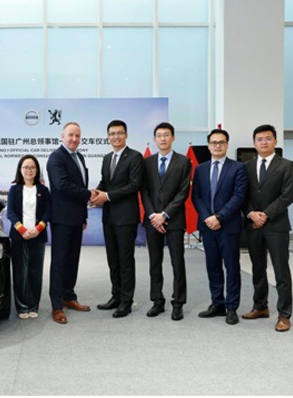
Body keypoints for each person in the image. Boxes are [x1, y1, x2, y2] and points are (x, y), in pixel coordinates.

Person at [241, 124, 293, 332]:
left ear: (275, 141)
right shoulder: (246, 166)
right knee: (257, 268)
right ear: (254, 143)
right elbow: (241, 194)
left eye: (268, 138)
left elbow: (288, 195)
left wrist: (265, 214)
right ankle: (260, 306)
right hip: (253, 225)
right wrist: (250, 213)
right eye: (259, 139)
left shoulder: (286, 165)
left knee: (281, 270)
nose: (264, 142)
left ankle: (284, 314)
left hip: (276, 225)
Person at [192, 128, 247, 325]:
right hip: (208, 226)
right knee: (213, 266)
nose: (217, 145)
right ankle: (217, 304)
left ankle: (231, 307)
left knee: (232, 267)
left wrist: (219, 217)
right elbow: (196, 196)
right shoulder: (200, 169)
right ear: (208, 146)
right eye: (214, 142)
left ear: (227, 145)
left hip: (228, 226)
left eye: (221, 142)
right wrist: (208, 218)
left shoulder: (238, 168)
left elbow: (238, 196)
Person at [91, 120, 143, 318]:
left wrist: (108, 196)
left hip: (126, 217)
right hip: (109, 217)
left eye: (119, 133)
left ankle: (126, 301)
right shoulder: (107, 158)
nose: (116, 137)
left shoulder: (135, 157)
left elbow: (134, 185)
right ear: (108, 137)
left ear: (126, 135)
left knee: (125, 260)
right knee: (113, 260)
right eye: (112, 134)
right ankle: (116, 296)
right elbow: (105, 182)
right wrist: (95, 193)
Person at [140, 122, 191, 321]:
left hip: (174, 220)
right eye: (159, 135)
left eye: (166, 135)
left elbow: (183, 192)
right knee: (155, 263)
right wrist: (153, 215)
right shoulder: (147, 162)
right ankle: (157, 301)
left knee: (178, 263)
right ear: (155, 139)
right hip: (152, 221)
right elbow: (144, 191)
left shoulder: (183, 162)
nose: (163, 138)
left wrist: (165, 214)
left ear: (173, 137)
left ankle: (178, 303)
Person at [46, 122, 94, 324]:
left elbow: (79, 183)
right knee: (59, 262)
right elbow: (62, 185)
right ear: (62, 136)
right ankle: (57, 306)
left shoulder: (79, 157)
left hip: (76, 218)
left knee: (73, 260)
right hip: (62, 219)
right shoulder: (56, 158)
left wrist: (83, 216)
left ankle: (68, 297)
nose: (74, 139)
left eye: (77, 136)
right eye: (71, 135)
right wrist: (88, 194)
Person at [6, 155, 52, 320]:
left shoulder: (43, 190)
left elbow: (48, 212)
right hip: (19, 237)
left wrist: (39, 228)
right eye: (26, 167)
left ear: (37, 170)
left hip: (38, 237)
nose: (29, 170)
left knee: (35, 273)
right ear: (20, 169)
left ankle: (33, 305)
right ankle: (21, 306)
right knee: (20, 273)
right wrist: (22, 229)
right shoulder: (14, 190)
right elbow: (10, 212)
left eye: (32, 167)